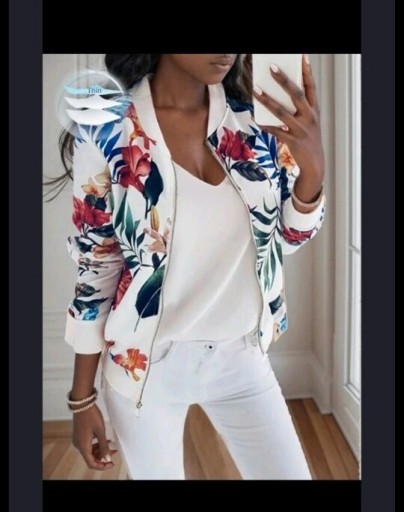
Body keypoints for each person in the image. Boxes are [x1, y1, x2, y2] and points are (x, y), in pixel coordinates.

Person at [58, 54, 326, 480]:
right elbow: (97, 265)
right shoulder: (108, 129)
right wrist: (81, 398)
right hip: (146, 370)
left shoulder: (256, 123)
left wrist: (313, 170)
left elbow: (289, 240)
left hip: (242, 358)